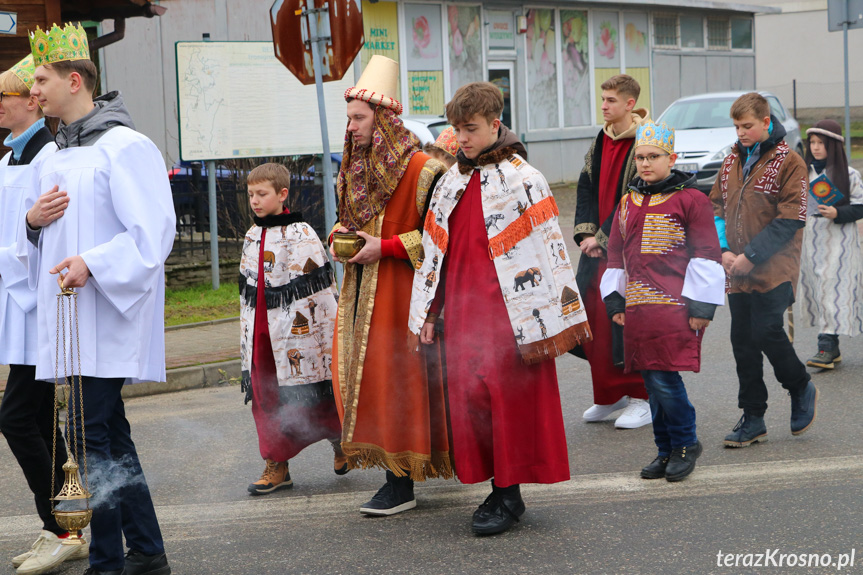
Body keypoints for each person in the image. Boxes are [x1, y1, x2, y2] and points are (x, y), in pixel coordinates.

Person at [19, 23, 175, 575]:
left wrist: (93, 262)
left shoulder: (127, 147)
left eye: (40, 79)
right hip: (67, 318)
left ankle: (107, 561)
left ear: (76, 80)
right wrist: (32, 223)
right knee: (104, 435)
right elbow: (33, 240)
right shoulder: (51, 156)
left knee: (87, 437)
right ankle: (148, 554)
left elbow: (152, 233)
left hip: (106, 314)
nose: (32, 89)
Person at [409, 82, 591, 535]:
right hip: (465, 316)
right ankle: (494, 485)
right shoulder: (450, 180)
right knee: (472, 403)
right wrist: (430, 313)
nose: (461, 138)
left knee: (509, 404)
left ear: (495, 124)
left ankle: (508, 495)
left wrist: (554, 320)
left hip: (513, 317)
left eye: (470, 129)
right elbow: (436, 255)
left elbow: (552, 257)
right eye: (456, 129)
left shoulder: (525, 179)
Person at [330, 55, 452, 516]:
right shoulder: (354, 168)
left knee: (398, 381)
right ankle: (392, 474)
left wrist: (387, 247)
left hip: (404, 292)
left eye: (359, 118)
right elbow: (350, 222)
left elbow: (443, 241)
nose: (352, 128)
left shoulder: (425, 170)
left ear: (383, 119)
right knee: (367, 385)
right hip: (360, 291)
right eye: (349, 119)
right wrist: (338, 235)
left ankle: (400, 482)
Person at [0, 54, 90, 575]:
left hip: (36, 300)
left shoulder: (48, 156)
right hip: (14, 302)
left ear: (31, 102)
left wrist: (27, 227)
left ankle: (64, 526)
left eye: (7, 97)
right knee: (33, 418)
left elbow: (54, 229)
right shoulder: (9, 158)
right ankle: (61, 523)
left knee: (16, 418)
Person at [601, 121, 725, 482]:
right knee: (650, 380)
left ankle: (686, 443)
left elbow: (706, 253)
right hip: (638, 308)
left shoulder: (692, 200)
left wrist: (702, 308)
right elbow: (615, 256)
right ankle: (665, 449)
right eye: (639, 157)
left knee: (663, 377)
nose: (644, 164)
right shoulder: (627, 202)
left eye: (653, 157)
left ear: (671, 158)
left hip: (676, 308)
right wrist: (615, 302)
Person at [710, 92, 818, 448]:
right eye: (737, 126)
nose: (740, 132)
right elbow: (715, 209)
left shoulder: (791, 162)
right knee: (742, 342)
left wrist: (752, 255)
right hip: (736, 269)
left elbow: (792, 218)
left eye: (747, 126)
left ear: (766, 123)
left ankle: (799, 385)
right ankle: (753, 417)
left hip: (775, 267)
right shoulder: (730, 163)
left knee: (768, 331)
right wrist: (724, 250)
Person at [238, 162, 345, 495]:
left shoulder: (301, 233)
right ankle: (277, 463)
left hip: (299, 335)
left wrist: (328, 338)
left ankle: (341, 442)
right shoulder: (252, 235)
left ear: (282, 194)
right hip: (260, 335)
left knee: (316, 393)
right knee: (266, 396)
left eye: (262, 194)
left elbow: (322, 295)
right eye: (251, 194)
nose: (255, 201)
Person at [572, 74, 651, 429]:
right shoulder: (601, 139)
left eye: (610, 101)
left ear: (630, 104)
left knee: (628, 320)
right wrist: (587, 232)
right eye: (602, 99)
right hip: (597, 251)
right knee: (595, 319)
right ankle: (609, 394)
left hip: (630, 250)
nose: (604, 106)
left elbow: (635, 196)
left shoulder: (646, 142)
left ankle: (642, 398)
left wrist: (602, 238)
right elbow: (586, 184)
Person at [797, 120, 863, 369]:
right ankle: (830, 347)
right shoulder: (804, 174)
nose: (815, 148)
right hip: (812, 243)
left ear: (833, 146)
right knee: (819, 290)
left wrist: (838, 213)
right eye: (812, 142)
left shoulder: (849, 175)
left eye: (821, 143)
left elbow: (860, 206)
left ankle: (826, 346)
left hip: (840, 243)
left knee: (834, 290)